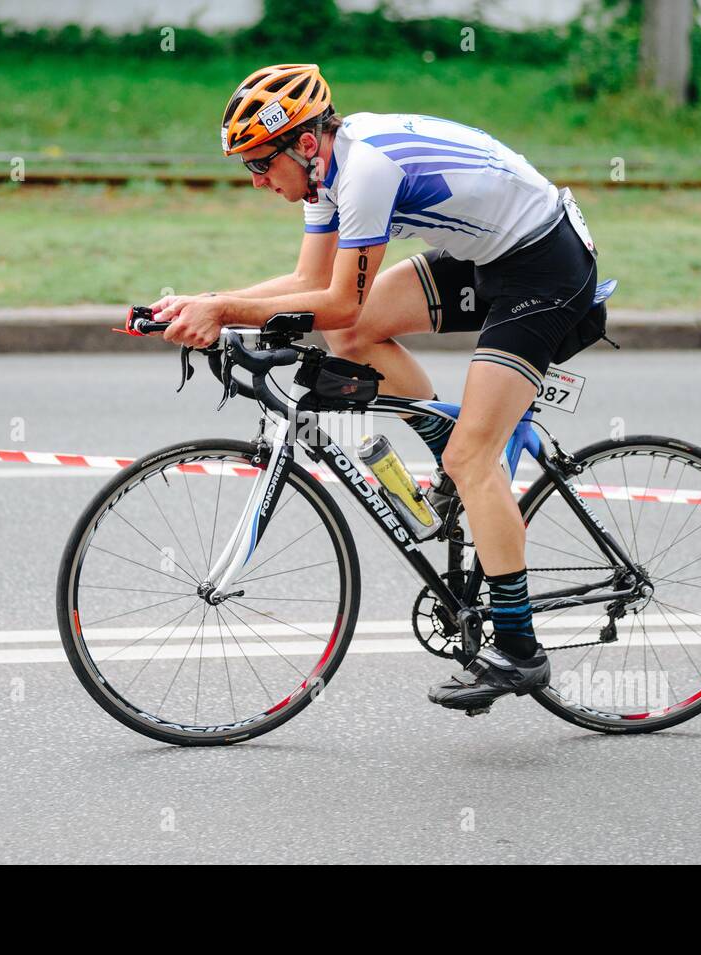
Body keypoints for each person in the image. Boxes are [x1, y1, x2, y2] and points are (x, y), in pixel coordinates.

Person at [151, 63, 600, 713]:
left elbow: (336, 299)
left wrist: (223, 311)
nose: (255, 181)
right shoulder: (326, 172)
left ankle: (519, 650)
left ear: (305, 144)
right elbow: (313, 282)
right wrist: (209, 302)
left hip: (546, 269)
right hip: (491, 257)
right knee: (356, 339)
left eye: (258, 163)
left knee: (473, 457)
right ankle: (451, 457)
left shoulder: (366, 172)